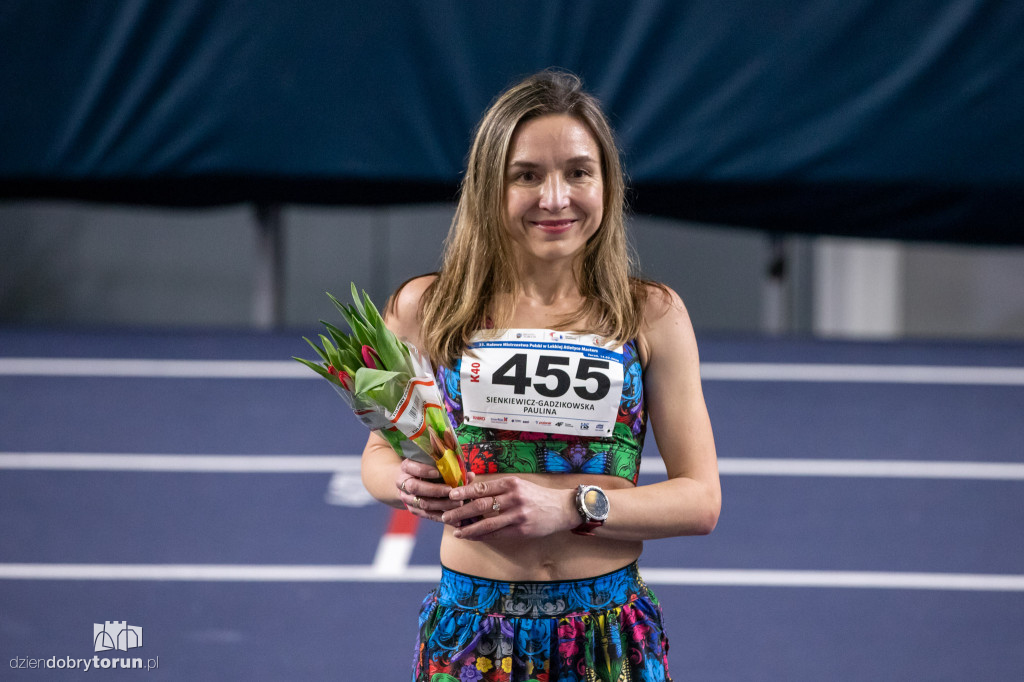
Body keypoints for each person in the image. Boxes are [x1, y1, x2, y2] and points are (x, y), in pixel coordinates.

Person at [360, 69, 720, 682]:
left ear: (607, 183)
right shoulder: (425, 308)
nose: (555, 198)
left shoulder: (650, 314)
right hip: (472, 630)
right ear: (487, 187)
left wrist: (571, 507)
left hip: (608, 631)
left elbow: (700, 499)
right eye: (526, 175)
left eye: (578, 172)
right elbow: (377, 454)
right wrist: (404, 484)